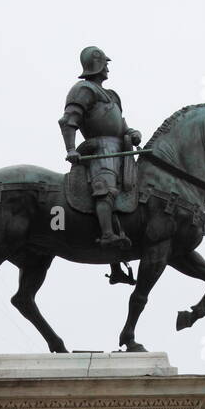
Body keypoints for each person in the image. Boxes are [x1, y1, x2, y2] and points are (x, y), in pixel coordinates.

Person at [59, 46, 141, 272]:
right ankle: (106, 235)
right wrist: (71, 149)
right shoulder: (83, 89)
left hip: (122, 150)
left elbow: (121, 124)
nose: (107, 68)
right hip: (100, 149)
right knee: (105, 188)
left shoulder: (113, 96)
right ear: (96, 65)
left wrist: (132, 132)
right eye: (105, 64)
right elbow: (69, 120)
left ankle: (118, 260)